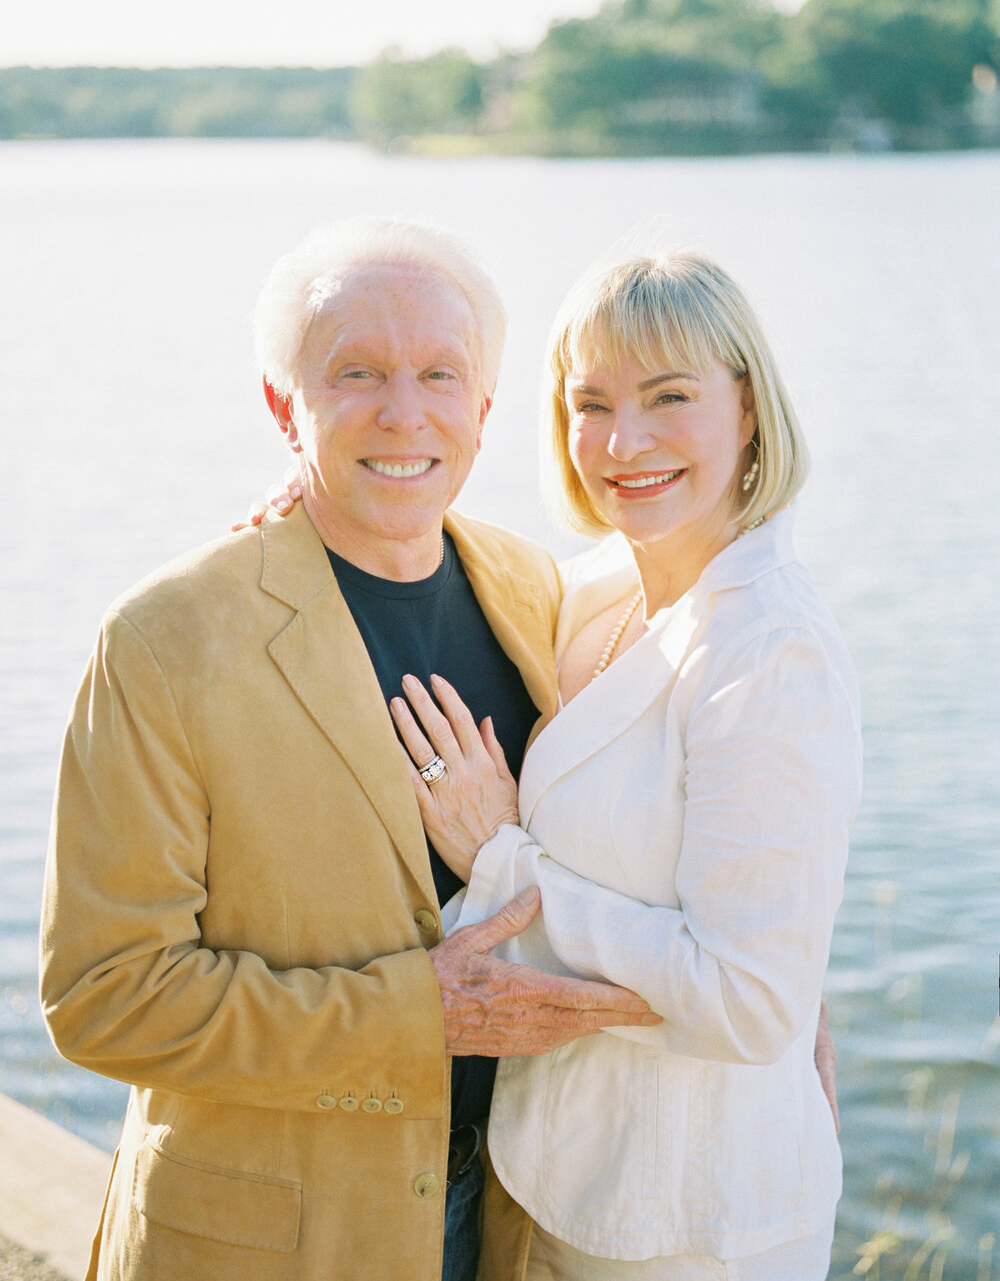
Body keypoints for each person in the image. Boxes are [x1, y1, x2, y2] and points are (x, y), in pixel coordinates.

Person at [39, 218, 661, 1281]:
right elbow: (105, 994)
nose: (402, 411)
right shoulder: (164, 640)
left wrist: (785, 1004)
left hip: (501, 1216)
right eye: (356, 373)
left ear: (483, 408)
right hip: (262, 1246)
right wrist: (416, 1017)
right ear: (285, 406)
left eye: (436, 374)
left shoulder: (539, 589)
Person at [388, 250, 862, 1279]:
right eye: (589, 402)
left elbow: (746, 999)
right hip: (560, 1182)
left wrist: (502, 860)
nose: (622, 441)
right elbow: (435, 546)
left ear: (748, 409)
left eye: (668, 396)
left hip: (694, 1226)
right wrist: (312, 498)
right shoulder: (605, 585)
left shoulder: (768, 652)